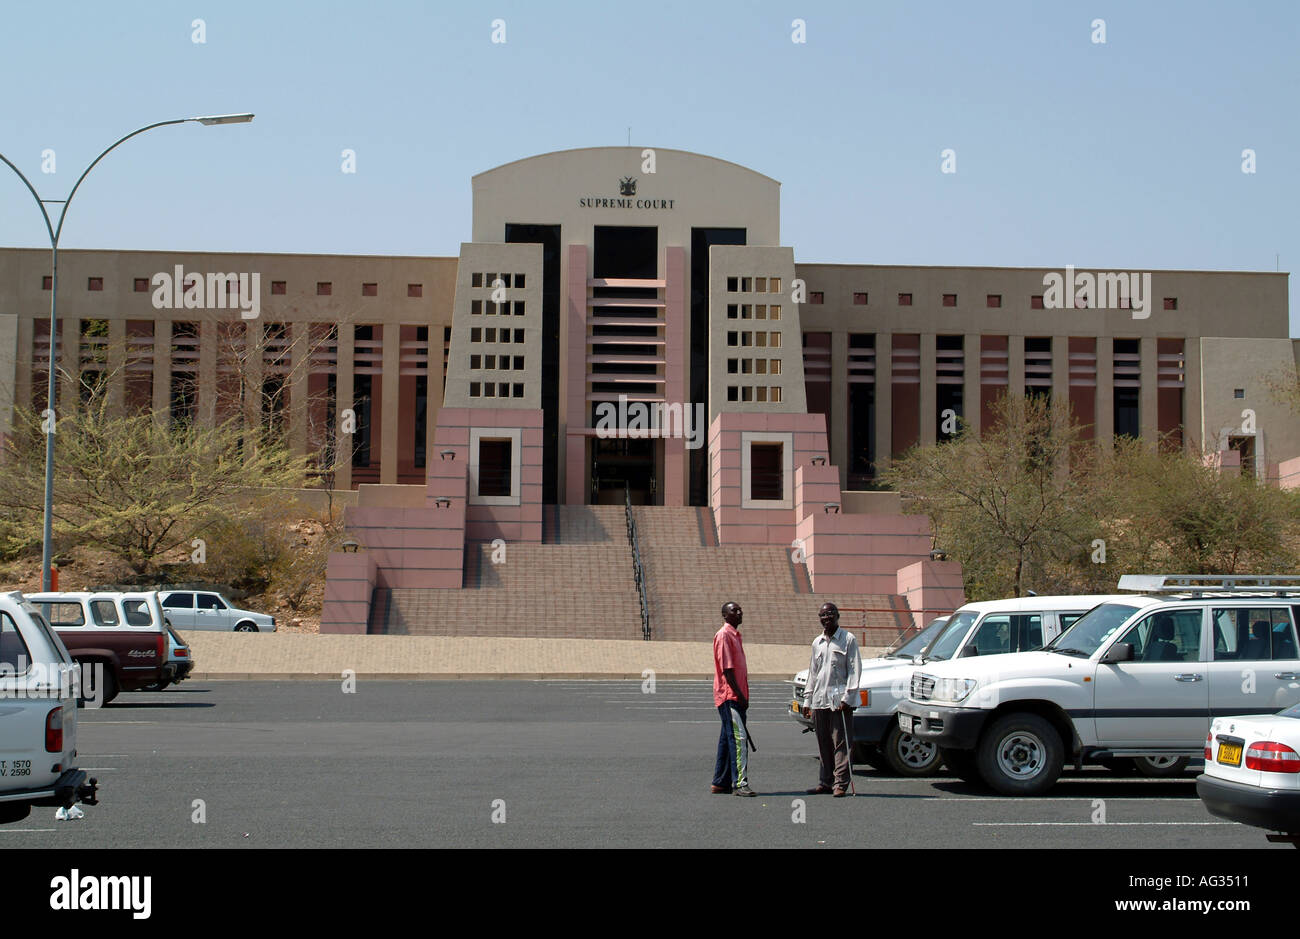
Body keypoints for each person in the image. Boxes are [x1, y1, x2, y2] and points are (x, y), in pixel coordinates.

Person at [805, 602, 862, 797]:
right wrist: (807, 700)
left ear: (837, 616)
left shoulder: (848, 639)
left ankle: (840, 784)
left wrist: (848, 697)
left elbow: (854, 670)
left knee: (841, 743)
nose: (826, 618)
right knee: (823, 743)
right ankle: (825, 781)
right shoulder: (817, 643)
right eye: (822, 615)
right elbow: (813, 673)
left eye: (830, 614)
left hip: (839, 701)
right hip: (819, 700)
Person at [711, 601, 755, 797]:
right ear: (725, 615)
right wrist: (740, 695)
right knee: (739, 739)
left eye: (740, 609)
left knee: (726, 738)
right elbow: (727, 671)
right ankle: (740, 782)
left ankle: (720, 781)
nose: (739, 612)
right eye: (734, 610)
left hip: (736, 695)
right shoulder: (724, 635)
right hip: (731, 696)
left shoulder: (736, 636)